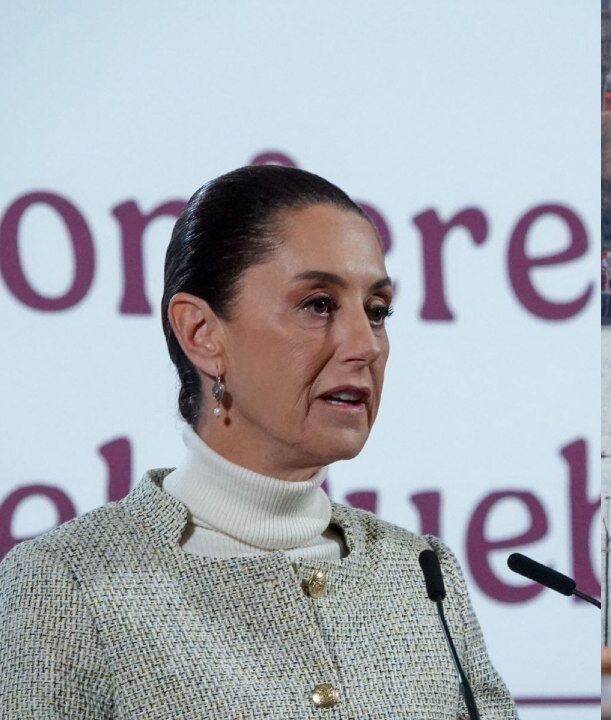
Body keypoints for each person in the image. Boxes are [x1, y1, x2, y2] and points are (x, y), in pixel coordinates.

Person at [0, 166, 516, 718]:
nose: (365, 345)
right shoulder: (65, 584)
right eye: (318, 304)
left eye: (378, 312)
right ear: (201, 334)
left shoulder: (421, 572)